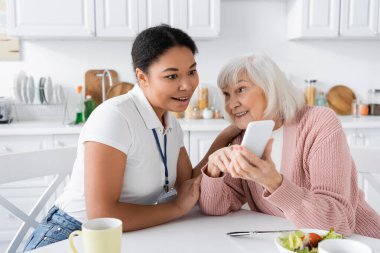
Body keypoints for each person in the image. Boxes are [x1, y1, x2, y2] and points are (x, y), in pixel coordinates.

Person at [23, 24, 238, 251]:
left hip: (129, 234)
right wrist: (176, 208)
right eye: (172, 75)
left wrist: (227, 135)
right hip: (73, 235)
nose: (187, 85)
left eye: (192, 72)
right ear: (142, 77)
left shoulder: (170, 123)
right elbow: (102, 215)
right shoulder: (114, 117)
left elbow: (188, 184)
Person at [199, 54, 380, 238]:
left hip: (357, 242)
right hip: (291, 244)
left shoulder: (318, 123)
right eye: (226, 94)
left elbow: (336, 223)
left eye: (241, 89)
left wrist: (274, 182)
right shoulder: (244, 136)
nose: (231, 104)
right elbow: (215, 206)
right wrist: (214, 171)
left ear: (271, 89)